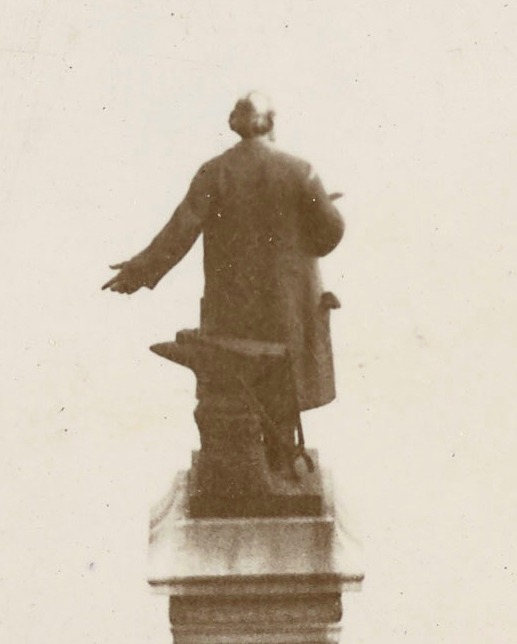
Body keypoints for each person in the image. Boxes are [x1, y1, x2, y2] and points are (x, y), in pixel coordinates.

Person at [103, 92, 344, 469]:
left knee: (237, 386)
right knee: (282, 380)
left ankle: (241, 470)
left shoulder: (214, 172)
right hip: (287, 307)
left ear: (234, 124)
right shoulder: (301, 171)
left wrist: (137, 272)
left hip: (232, 308)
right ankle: (281, 462)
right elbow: (329, 235)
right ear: (273, 125)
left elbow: (180, 230)